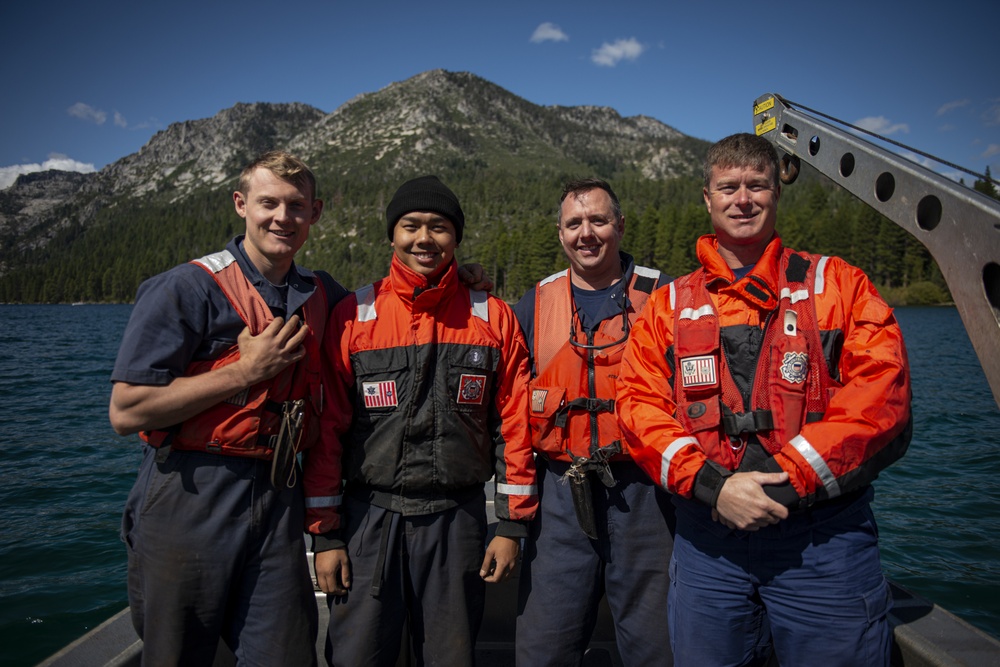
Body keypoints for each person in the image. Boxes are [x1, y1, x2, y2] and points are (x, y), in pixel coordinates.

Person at [616, 133, 913, 667]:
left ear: (778, 193)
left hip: (824, 542)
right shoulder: (665, 308)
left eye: (757, 185)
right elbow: (639, 410)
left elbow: (880, 399)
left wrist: (785, 480)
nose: (743, 199)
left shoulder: (840, 285)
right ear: (707, 198)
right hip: (709, 543)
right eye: (728, 187)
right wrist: (715, 489)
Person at [110, 150, 347, 666]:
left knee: (285, 654)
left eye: (296, 206)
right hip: (188, 498)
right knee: (177, 655)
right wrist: (243, 372)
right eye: (268, 203)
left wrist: (457, 277)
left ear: (315, 213)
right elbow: (127, 412)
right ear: (241, 205)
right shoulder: (185, 288)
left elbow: (387, 308)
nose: (282, 217)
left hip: (278, 499)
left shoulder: (321, 292)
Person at [303, 175, 538, 667]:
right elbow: (326, 431)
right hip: (369, 520)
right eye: (411, 226)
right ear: (392, 235)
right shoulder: (353, 315)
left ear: (456, 237)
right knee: (358, 657)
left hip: (459, 522)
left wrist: (512, 527)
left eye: (439, 227)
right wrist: (325, 534)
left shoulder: (492, 316)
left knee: (451, 658)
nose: (424, 239)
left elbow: (515, 426)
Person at [513, 178, 675, 666]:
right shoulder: (534, 305)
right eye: (574, 223)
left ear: (620, 226)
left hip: (646, 497)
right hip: (559, 493)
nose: (587, 233)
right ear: (560, 234)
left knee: (656, 648)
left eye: (599, 220)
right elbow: (508, 406)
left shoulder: (665, 297)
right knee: (543, 648)